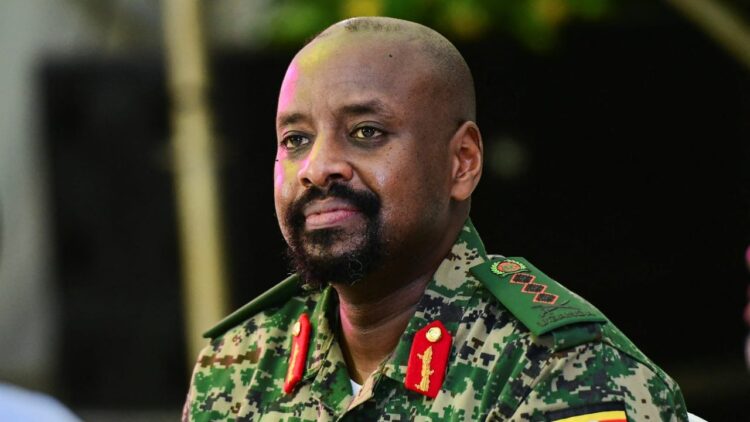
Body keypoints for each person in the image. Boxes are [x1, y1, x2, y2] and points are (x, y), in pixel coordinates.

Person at [183, 17, 688, 421]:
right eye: (296, 139)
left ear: (461, 163)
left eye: (366, 132)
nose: (316, 168)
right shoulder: (239, 364)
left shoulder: (565, 373)